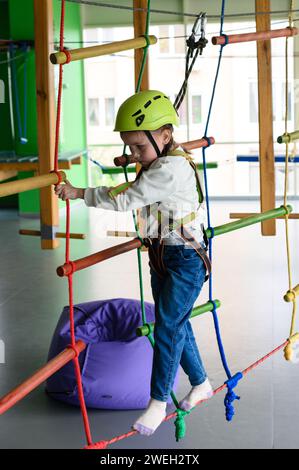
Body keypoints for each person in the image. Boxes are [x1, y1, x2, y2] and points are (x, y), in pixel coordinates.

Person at [55, 90, 213, 436]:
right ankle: (200, 382)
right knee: (177, 323)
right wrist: (137, 160)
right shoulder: (159, 162)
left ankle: (157, 401)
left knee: (168, 326)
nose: (133, 154)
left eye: (139, 147)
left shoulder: (170, 169)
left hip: (185, 258)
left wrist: (79, 193)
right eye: (130, 147)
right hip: (161, 256)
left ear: (166, 136)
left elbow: (127, 198)